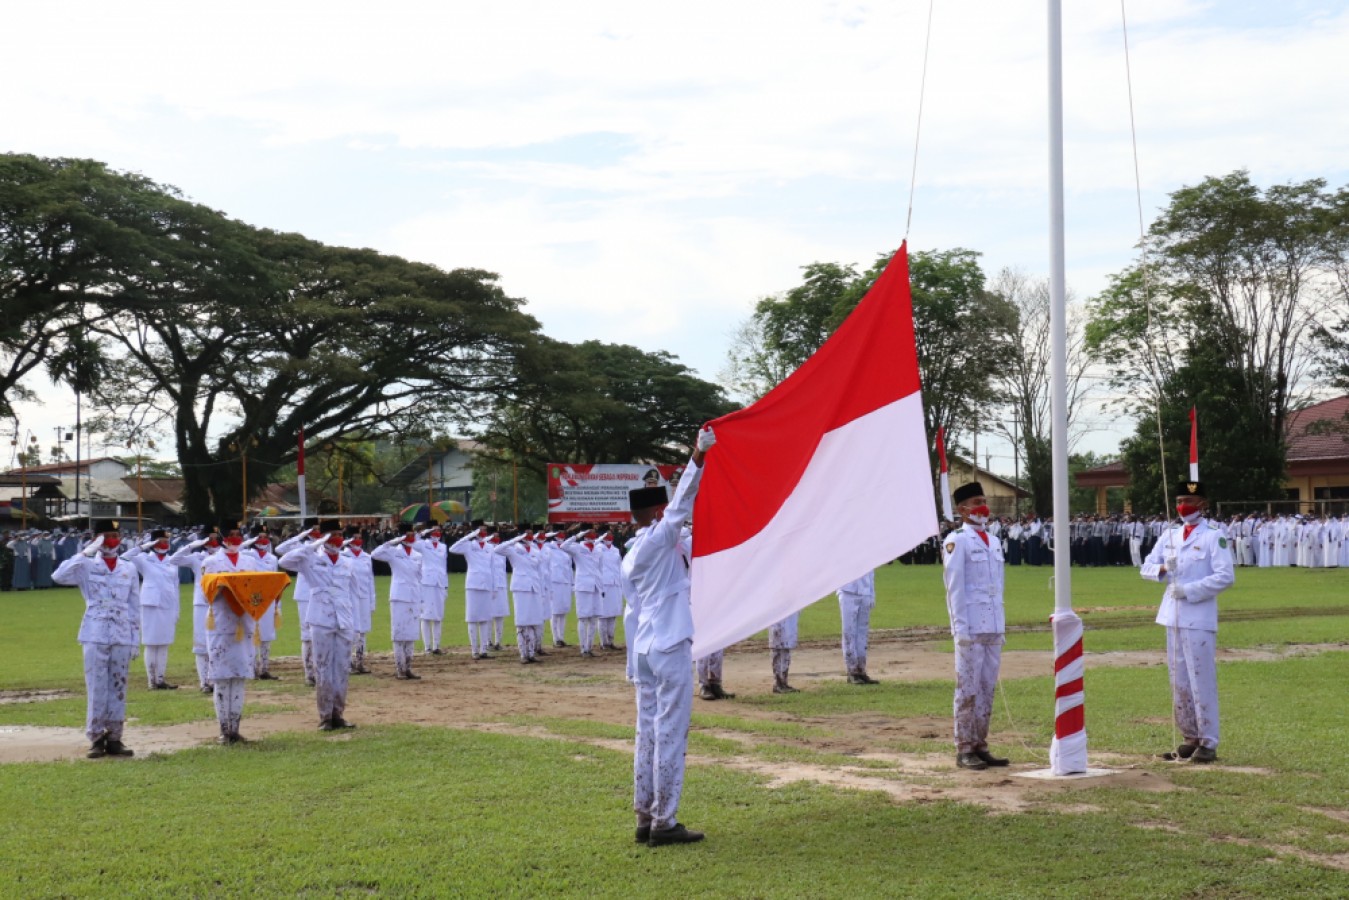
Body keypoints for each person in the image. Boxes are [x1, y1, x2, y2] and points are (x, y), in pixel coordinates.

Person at [622, 426, 714, 847]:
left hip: (643, 647)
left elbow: (631, 611)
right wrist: (697, 456)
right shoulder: (661, 537)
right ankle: (665, 822)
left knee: (647, 733)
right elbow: (682, 504)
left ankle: (644, 817)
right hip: (669, 643)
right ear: (658, 514)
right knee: (670, 733)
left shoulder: (631, 552)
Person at [1140, 481, 1234, 763]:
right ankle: (1190, 737)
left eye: (1190, 502)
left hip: (1199, 616)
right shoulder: (1170, 535)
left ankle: (1208, 742)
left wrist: (1191, 590)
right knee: (1178, 679)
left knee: (1200, 679)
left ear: (1202, 505)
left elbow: (1225, 576)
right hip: (1173, 615)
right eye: (1180, 500)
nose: (1183, 506)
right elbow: (1145, 567)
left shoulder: (1213, 536)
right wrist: (1164, 568)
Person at [53, 520, 141, 759]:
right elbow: (58, 576)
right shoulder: (86, 565)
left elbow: (134, 606)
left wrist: (135, 639)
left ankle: (115, 737)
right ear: (97, 539)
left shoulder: (128, 568)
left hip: (122, 632)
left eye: (115, 535)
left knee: (119, 686)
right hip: (94, 632)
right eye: (106, 536)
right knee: (96, 686)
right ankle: (95, 737)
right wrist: (84, 552)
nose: (112, 541)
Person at [941, 481, 1010, 771]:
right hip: (970, 625)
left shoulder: (993, 541)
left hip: (992, 623)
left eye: (984, 500)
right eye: (976, 501)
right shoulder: (957, 540)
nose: (983, 506)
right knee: (967, 687)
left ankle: (981, 743)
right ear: (962, 509)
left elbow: (999, 585)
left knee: (986, 688)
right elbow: (954, 588)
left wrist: (1001, 624)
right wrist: (960, 629)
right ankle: (964, 747)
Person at [280, 519, 358, 731]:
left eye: (340, 534)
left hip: (343, 618)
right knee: (323, 667)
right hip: (320, 617)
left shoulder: (347, 561)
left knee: (341, 667)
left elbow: (352, 592)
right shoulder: (310, 558)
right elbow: (284, 561)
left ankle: (338, 714)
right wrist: (312, 545)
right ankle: (325, 717)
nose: (337, 538)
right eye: (332, 534)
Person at [202, 521, 261, 745]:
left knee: (239, 676)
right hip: (221, 623)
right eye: (231, 534)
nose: (235, 539)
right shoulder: (211, 562)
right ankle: (223, 729)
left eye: (238, 534)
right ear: (222, 537)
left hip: (244, 622)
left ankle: (235, 728)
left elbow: (257, 588)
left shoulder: (250, 561)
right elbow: (208, 592)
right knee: (221, 677)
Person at [124, 529, 181, 689]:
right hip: (151, 605)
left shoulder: (172, 561)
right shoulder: (144, 559)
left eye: (166, 541)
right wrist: (143, 546)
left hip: (168, 604)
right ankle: (151, 681)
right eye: (160, 541)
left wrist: (177, 609)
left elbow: (175, 586)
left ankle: (161, 679)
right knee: (151, 643)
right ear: (153, 543)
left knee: (164, 643)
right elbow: (126, 557)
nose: (164, 544)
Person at [169, 526, 222, 693]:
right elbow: (174, 559)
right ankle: (204, 682)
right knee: (201, 644)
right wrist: (191, 545)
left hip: (220, 603)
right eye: (209, 539)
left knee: (218, 642)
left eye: (215, 539)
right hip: (201, 603)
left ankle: (215, 678)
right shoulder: (196, 557)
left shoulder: (223, 557)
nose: (212, 542)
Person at [371, 523, 424, 680]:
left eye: (412, 534)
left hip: (414, 595)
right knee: (399, 632)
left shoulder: (417, 555)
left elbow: (420, 577)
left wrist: (422, 599)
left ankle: (408, 667)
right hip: (399, 596)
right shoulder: (393, 552)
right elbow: (375, 554)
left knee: (412, 633)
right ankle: (399, 668)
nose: (410, 537)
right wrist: (392, 542)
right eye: (407, 535)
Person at [276, 518, 322, 686]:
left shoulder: (323, 545)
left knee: (321, 632)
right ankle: (309, 672)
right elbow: (280, 550)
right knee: (307, 635)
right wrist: (299, 537)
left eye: (318, 529)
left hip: (321, 592)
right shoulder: (299, 546)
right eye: (313, 529)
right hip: (304, 593)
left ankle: (320, 670)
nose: (316, 532)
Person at [492, 527, 546, 664]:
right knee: (522, 622)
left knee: (534, 622)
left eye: (530, 534)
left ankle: (532, 653)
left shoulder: (535, 550)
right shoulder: (513, 548)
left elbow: (540, 571)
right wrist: (515, 539)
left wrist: (542, 590)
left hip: (534, 587)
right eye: (526, 534)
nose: (529, 537)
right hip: (521, 587)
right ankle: (523, 654)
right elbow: (497, 550)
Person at [449, 522, 497, 660]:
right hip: (473, 584)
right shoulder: (469, 546)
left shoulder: (489, 547)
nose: (483, 533)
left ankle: (483, 650)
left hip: (487, 584)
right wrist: (470, 536)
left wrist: (494, 587)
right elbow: (453, 548)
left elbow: (492, 568)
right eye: (480, 530)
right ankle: (474, 650)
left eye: (484, 530)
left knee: (485, 618)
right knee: (472, 618)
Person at [561, 526, 605, 657]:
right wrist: (578, 535)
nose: (592, 534)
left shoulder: (598, 550)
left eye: (593, 533)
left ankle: (589, 648)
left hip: (596, 586)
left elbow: (600, 569)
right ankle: (582, 648)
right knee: (583, 618)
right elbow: (563, 546)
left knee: (594, 617)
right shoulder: (578, 548)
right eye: (589, 532)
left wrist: (602, 587)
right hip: (583, 586)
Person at [248, 526, 283, 680]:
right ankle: (252, 668)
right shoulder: (247, 555)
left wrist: (277, 604)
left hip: (268, 599)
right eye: (259, 537)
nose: (262, 540)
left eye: (265, 536)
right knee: (253, 634)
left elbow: (276, 581)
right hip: (252, 600)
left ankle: (265, 668)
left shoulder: (272, 558)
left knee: (267, 634)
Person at [838, 568, 879, 685]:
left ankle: (861, 669)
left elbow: (871, 572)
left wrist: (871, 593)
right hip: (848, 591)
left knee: (862, 634)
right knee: (849, 632)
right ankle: (852, 671)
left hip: (865, 592)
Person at [413, 526, 450, 655]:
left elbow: (444, 566)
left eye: (438, 531)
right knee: (426, 616)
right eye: (434, 531)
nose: (437, 533)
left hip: (439, 582)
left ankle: (436, 646)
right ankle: (427, 646)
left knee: (438, 615)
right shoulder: (423, 544)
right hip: (426, 582)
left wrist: (446, 585)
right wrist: (423, 532)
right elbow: (411, 542)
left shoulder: (443, 546)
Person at [344, 527, 376, 675]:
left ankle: (360, 661)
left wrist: (372, 601)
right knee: (351, 631)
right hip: (349, 598)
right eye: (354, 538)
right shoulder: (343, 555)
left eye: (359, 537)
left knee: (363, 631)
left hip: (364, 597)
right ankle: (348, 663)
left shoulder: (366, 557)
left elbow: (370, 580)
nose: (358, 541)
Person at [768, 612, 800, 694]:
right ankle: (778, 682)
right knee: (777, 648)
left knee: (786, 648)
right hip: (778, 617)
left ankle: (783, 682)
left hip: (789, 617)